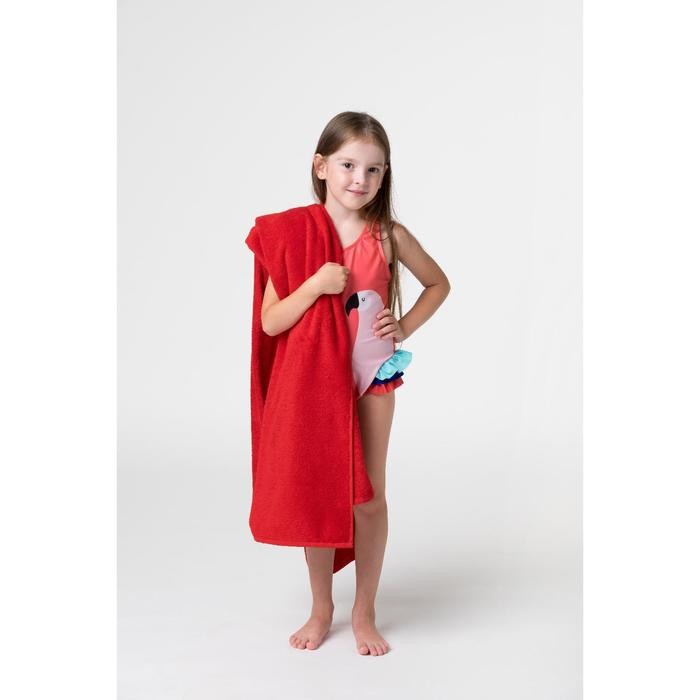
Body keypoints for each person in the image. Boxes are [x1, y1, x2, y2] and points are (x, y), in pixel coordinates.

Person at [257, 111, 450, 655]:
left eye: (373, 169)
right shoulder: (294, 237)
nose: (359, 179)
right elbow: (271, 322)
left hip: (371, 379)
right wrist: (316, 285)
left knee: (369, 495)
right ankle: (322, 609)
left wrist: (403, 325)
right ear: (321, 166)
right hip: (313, 385)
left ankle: (365, 610)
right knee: (321, 492)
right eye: (347, 165)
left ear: (385, 175)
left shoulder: (388, 236)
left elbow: (438, 283)